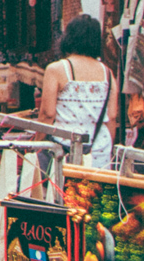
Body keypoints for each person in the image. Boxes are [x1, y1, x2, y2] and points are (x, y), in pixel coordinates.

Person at [40, 14, 116, 169]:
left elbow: (48, 114)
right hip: (98, 151)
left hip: (64, 151)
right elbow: (112, 117)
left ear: (69, 37)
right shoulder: (108, 73)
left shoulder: (57, 69)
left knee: (61, 192)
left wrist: (37, 145)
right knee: (95, 192)